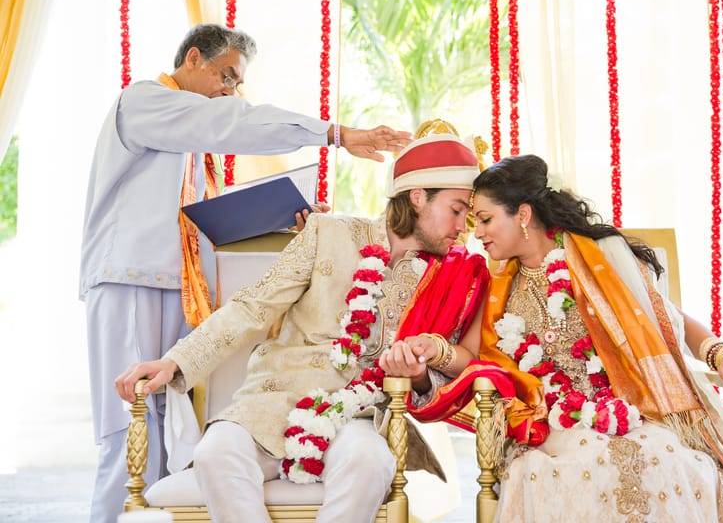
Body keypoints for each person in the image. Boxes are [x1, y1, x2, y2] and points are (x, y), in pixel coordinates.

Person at [81, 23, 411, 523]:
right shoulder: (145, 102)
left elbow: (209, 223)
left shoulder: (194, 141)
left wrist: (289, 220)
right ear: (193, 58)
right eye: (226, 76)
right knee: (127, 426)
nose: (230, 91)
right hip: (131, 280)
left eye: (236, 83)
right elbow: (235, 122)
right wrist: (337, 135)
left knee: (176, 425)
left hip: (187, 287)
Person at [115, 134, 490, 522]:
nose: (463, 227)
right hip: (271, 400)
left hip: (355, 416)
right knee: (215, 454)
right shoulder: (327, 233)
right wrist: (175, 362)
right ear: (416, 197)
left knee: (371, 464)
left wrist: (417, 375)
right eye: (457, 210)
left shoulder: (451, 276)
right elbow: (252, 306)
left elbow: (448, 366)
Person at [468, 155, 723, 522]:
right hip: (549, 423)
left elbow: (666, 320)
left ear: (522, 215)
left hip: (630, 407)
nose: (477, 232)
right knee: (575, 472)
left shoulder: (596, 258)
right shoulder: (495, 288)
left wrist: (721, 352)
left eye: (485, 219)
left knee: (668, 461)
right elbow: (477, 356)